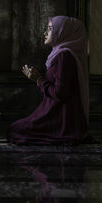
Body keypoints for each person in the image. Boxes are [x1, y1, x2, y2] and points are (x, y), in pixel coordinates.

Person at [7, 16, 89, 145]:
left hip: (61, 119)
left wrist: (38, 79)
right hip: (56, 114)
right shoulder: (59, 54)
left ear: (63, 33)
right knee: (15, 129)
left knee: (15, 130)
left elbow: (59, 93)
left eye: (50, 29)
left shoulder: (64, 56)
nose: (45, 33)